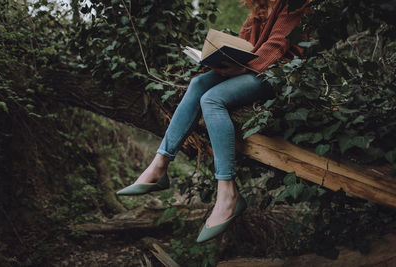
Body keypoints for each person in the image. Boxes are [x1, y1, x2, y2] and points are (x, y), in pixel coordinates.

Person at [116, 0, 309, 242]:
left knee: (212, 99)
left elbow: (277, 46)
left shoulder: (293, 4)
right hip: (249, 69)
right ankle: (159, 166)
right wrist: (220, 59)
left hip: (275, 74)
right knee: (198, 83)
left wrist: (242, 67)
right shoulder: (259, 7)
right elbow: (244, 45)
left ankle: (228, 193)